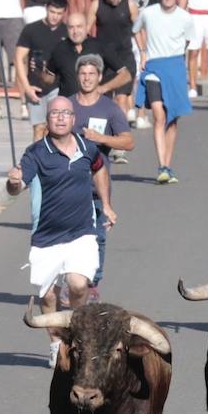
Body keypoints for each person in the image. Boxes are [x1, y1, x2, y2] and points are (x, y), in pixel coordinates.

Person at [7, 97, 116, 337]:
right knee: (48, 297)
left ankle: (78, 336)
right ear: (47, 119)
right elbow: (18, 186)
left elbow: (99, 168)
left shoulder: (88, 148)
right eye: (55, 113)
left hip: (82, 232)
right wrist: (13, 181)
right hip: (46, 236)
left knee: (78, 286)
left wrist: (106, 204)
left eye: (65, 113)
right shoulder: (35, 153)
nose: (60, 117)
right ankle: (56, 344)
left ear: (73, 119)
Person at [70, 54, 135, 283]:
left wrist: (101, 138)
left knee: (97, 238)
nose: (87, 79)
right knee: (71, 238)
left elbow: (128, 142)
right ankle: (73, 281)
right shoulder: (67, 106)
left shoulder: (110, 108)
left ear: (99, 77)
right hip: (69, 186)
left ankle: (93, 282)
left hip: (97, 185)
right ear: (77, 76)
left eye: (91, 74)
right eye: (83, 74)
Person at [134, 0, 196, 184]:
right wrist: (143, 53)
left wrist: (176, 56)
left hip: (175, 67)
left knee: (172, 118)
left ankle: (167, 167)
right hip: (153, 68)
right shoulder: (148, 13)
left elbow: (187, 41)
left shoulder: (185, 17)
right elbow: (136, 29)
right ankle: (161, 165)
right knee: (159, 115)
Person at [14, 0, 69, 141]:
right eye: (52, 12)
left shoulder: (67, 32)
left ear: (64, 13)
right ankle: (37, 162)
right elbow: (19, 58)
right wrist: (26, 88)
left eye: (59, 13)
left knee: (52, 128)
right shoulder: (31, 30)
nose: (55, 16)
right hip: (35, 88)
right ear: (46, 8)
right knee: (38, 127)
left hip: (58, 88)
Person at [49, 12, 133, 106]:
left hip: (96, 106)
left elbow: (126, 75)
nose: (75, 31)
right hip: (69, 108)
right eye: (71, 27)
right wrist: (39, 71)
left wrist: (103, 88)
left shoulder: (100, 46)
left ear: (86, 26)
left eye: (79, 26)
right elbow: (49, 78)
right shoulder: (59, 49)